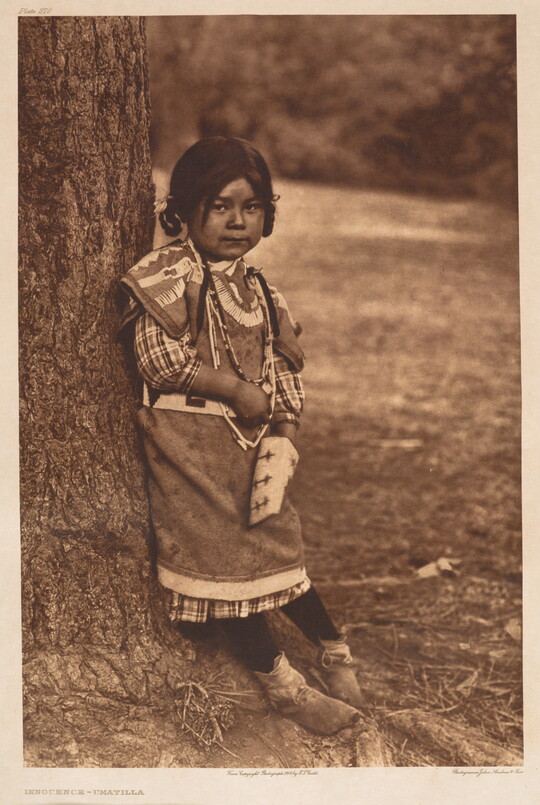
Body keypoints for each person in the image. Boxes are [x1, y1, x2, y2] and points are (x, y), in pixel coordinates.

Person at [119, 137, 362, 735]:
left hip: (251, 449)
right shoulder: (167, 276)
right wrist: (231, 388)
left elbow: (283, 369)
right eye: (220, 206)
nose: (236, 221)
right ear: (184, 209)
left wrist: (283, 427)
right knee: (219, 559)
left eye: (251, 208)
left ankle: (334, 651)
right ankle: (282, 687)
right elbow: (158, 361)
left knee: (277, 542)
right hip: (188, 448)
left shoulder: (260, 291)